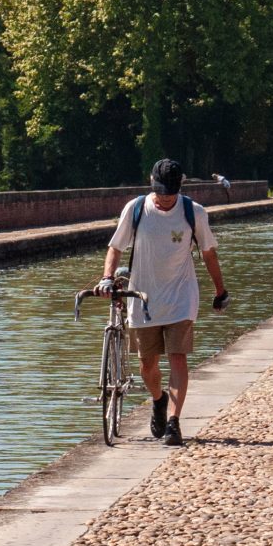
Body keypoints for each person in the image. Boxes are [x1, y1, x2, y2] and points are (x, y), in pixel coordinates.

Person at [97, 159, 228, 446]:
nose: (165, 197)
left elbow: (209, 253)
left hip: (181, 296)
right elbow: (115, 247)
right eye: (160, 191)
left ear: (180, 187)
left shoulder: (193, 212)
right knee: (147, 363)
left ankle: (173, 422)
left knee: (178, 357)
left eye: (169, 192)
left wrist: (220, 291)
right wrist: (107, 277)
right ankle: (158, 399)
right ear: (151, 183)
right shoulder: (136, 209)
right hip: (142, 297)